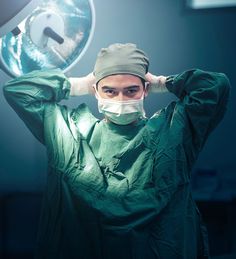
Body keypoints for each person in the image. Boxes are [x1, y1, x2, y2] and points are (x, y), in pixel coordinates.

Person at [3, 43, 230, 259]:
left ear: (146, 90)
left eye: (131, 90)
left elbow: (215, 86)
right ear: (96, 91)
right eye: (109, 91)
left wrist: (163, 81)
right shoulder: (68, 133)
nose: (121, 99)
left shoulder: (173, 132)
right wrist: (79, 84)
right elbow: (18, 91)